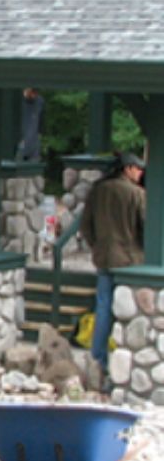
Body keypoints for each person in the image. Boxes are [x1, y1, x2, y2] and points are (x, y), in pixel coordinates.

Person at [80, 152, 145, 391]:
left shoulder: (98, 190)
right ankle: (123, 364)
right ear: (128, 169)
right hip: (130, 262)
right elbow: (146, 228)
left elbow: (85, 225)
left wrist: (96, 246)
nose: (140, 174)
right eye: (138, 169)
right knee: (127, 314)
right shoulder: (136, 194)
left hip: (104, 258)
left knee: (103, 308)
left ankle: (98, 360)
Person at [16, 87, 45, 162]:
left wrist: (39, 135)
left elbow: (41, 121)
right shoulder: (16, 101)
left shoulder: (40, 101)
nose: (34, 96)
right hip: (20, 142)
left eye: (35, 93)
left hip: (34, 143)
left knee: (34, 168)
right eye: (32, 93)